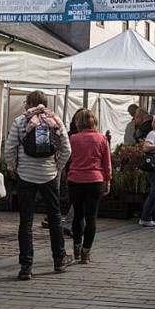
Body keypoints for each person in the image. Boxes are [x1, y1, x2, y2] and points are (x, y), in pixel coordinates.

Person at [5, 90, 72, 281]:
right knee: (54, 218)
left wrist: (15, 167)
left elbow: (10, 148)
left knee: (26, 222)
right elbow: (66, 149)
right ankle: (59, 260)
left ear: (28, 104)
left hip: (26, 176)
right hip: (49, 176)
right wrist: (56, 167)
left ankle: (26, 266)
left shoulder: (20, 121)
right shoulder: (55, 121)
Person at [67, 109, 111, 264]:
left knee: (78, 215)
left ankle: (76, 247)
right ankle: (87, 252)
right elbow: (107, 163)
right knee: (91, 217)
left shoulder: (73, 138)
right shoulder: (102, 139)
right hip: (95, 179)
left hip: (76, 179)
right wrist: (107, 180)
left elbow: (68, 158)